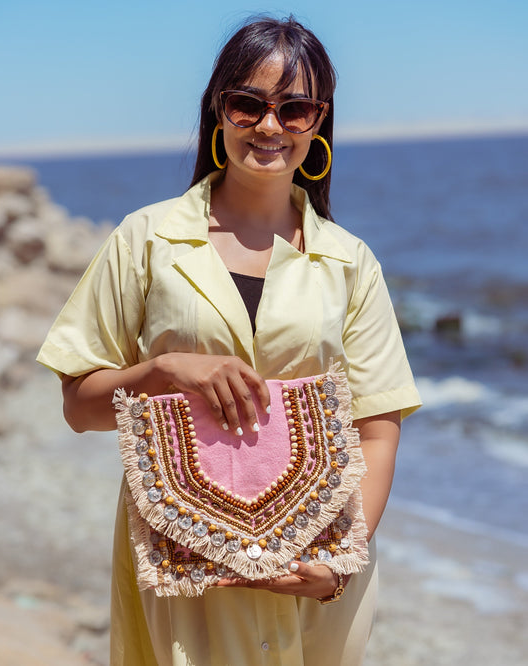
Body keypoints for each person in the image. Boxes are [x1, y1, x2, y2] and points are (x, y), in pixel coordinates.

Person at [38, 15, 421, 666]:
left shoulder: (351, 261)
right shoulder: (146, 240)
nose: (268, 127)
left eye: (293, 109)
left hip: (318, 564)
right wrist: (162, 370)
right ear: (218, 111)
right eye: (247, 104)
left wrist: (337, 561)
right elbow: (80, 406)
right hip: (183, 551)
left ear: (317, 122)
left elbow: (376, 426)